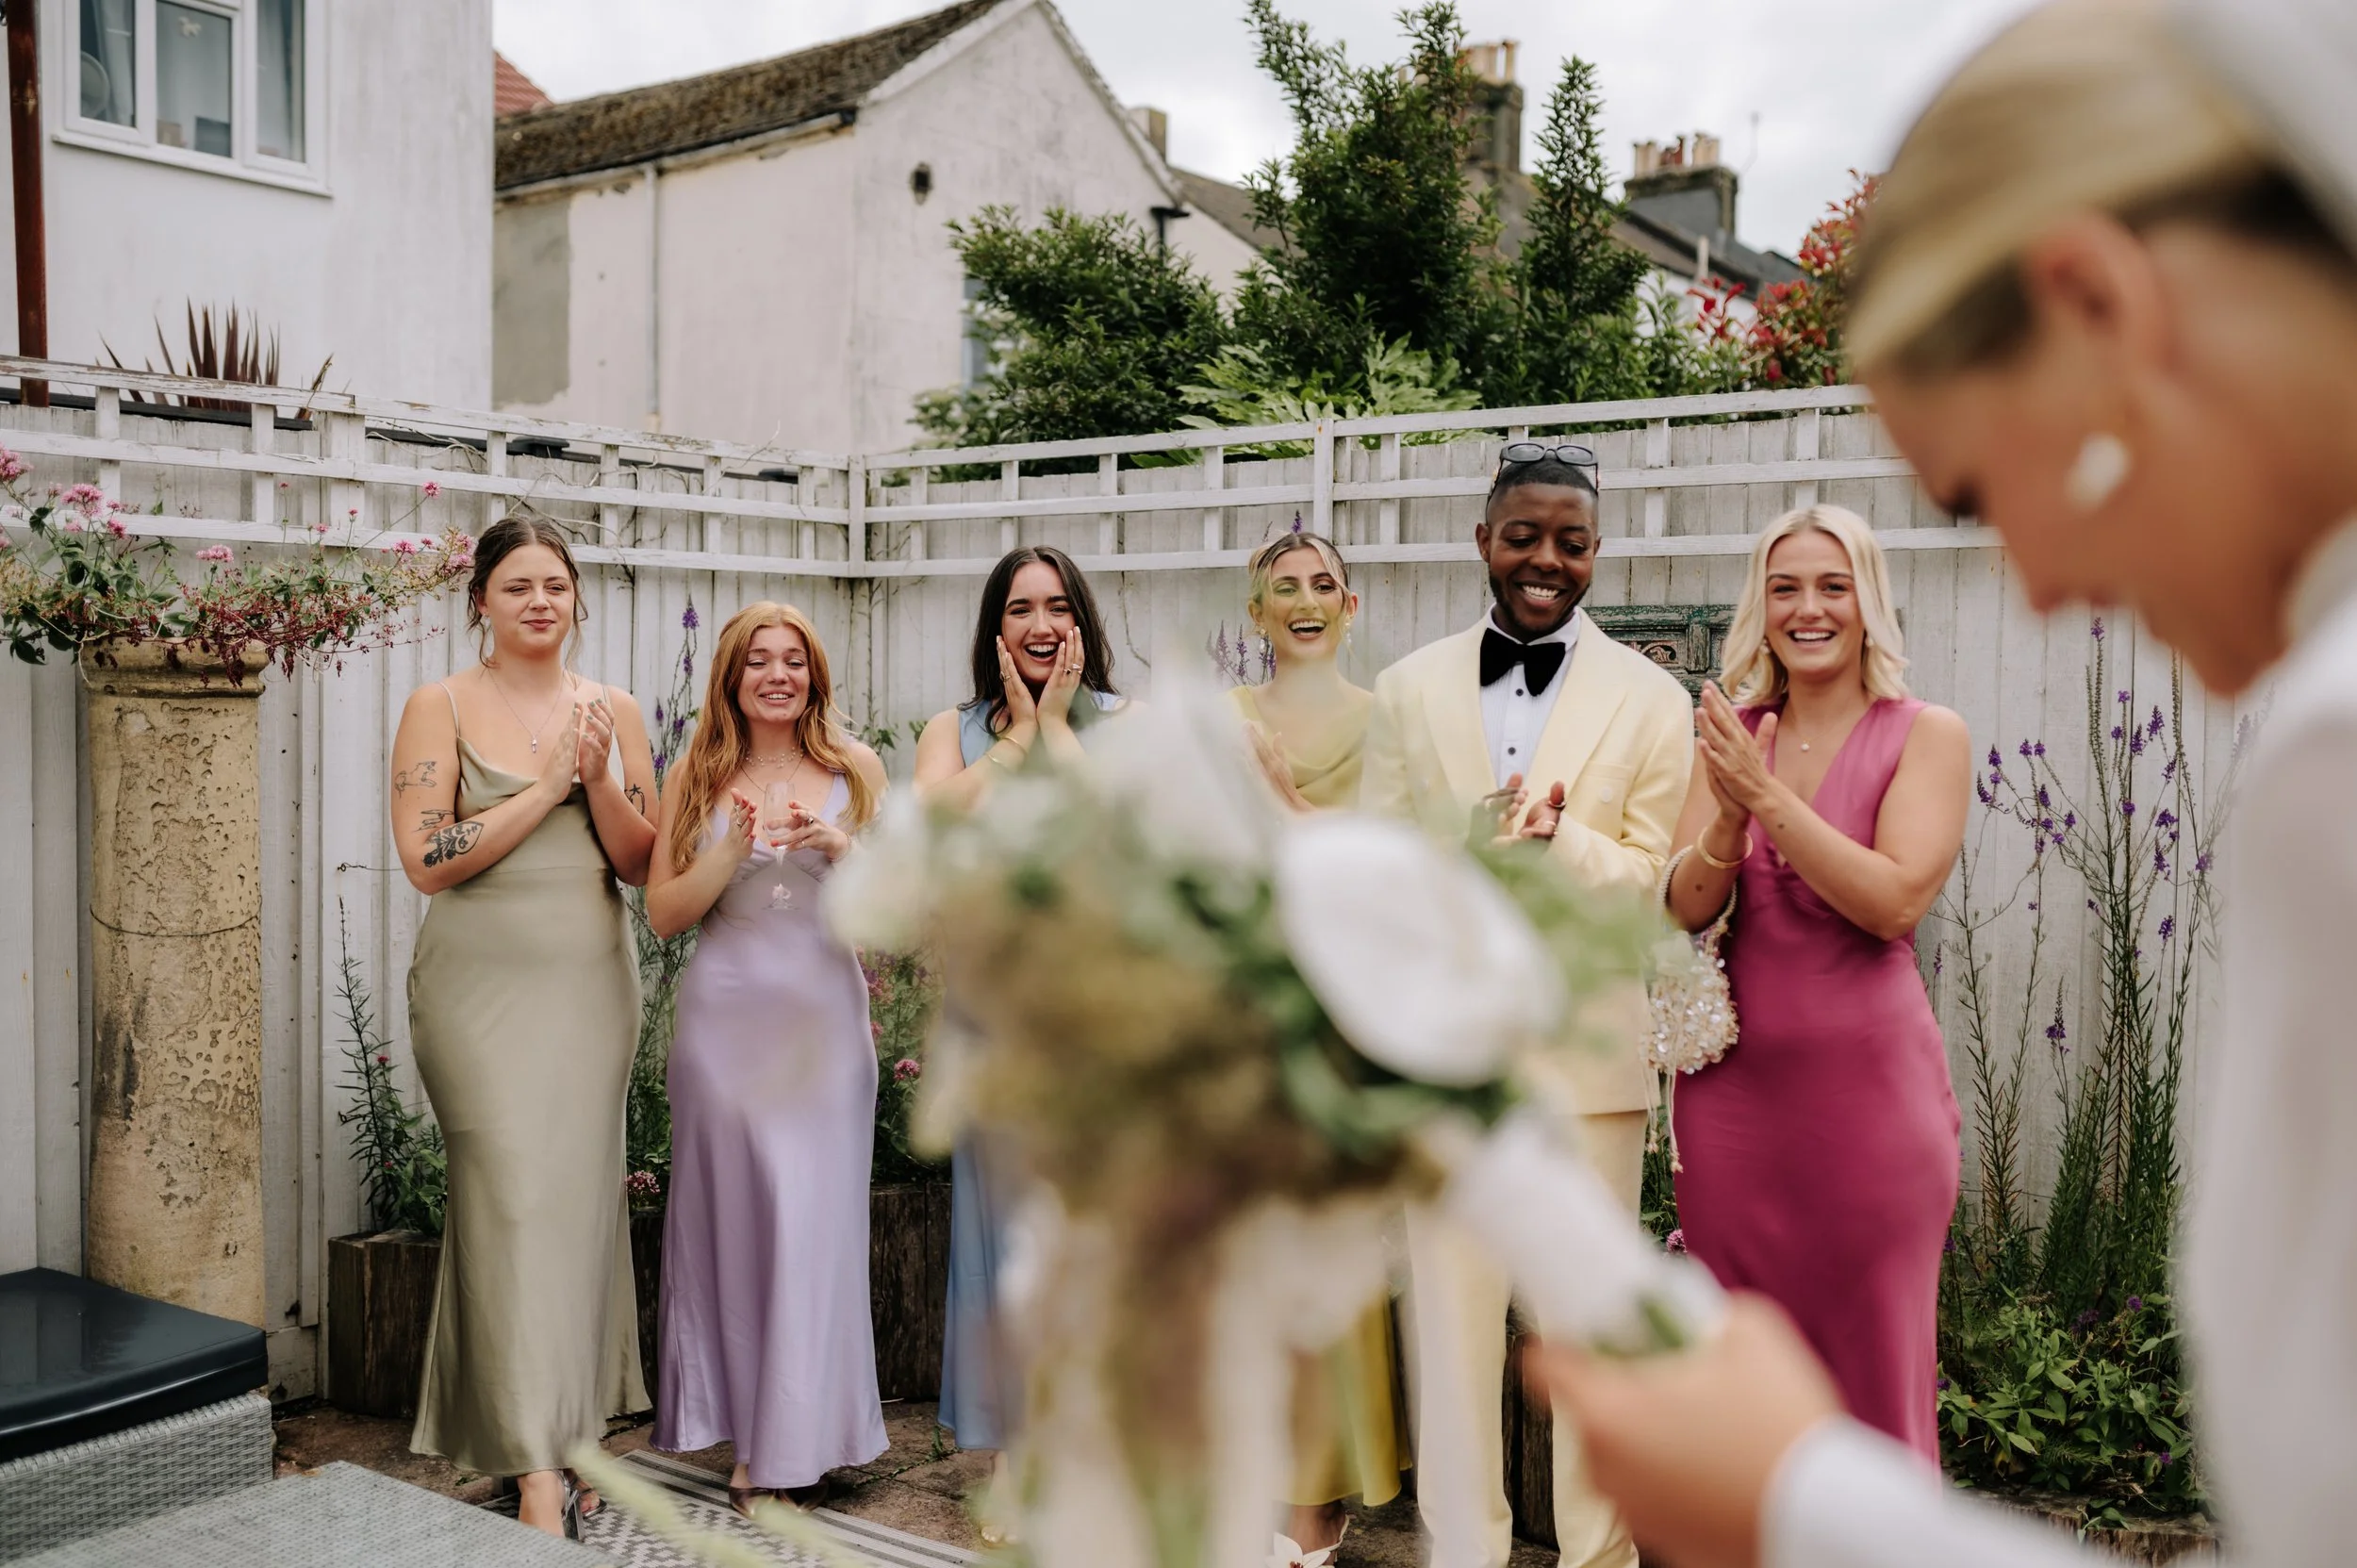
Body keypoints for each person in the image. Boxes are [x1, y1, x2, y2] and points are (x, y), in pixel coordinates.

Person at [1536, 3, 2357, 1566]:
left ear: (2099, 306)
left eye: (1982, 491)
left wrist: (1799, 1501)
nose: (2038, 585)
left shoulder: (2337, 758)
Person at [1360, 449, 1695, 1568]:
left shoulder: (1653, 700)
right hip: (1446, 1069)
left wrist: (1566, 840)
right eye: (1523, 536)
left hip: (1585, 1073)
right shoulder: (1406, 688)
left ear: (1595, 553)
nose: (1546, 560)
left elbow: (1661, 882)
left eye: (1571, 542)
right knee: (1449, 1350)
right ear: (1483, 541)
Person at [1661, 505, 1969, 1461]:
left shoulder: (1927, 735)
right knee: (1740, 1392)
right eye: (1785, 588)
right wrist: (1724, 822)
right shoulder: (1732, 733)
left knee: (1872, 1373)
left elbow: (1892, 901)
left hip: (1869, 1113)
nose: (1809, 609)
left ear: (1867, 603)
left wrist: (1762, 798)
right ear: (1761, 607)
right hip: (1731, 1110)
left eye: (1833, 586)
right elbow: (1682, 905)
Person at [389, 516, 657, 1538]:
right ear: (481, 603)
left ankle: (565, 1439)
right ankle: (538, 1471)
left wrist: (598, 780)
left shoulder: (614, 709)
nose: (540, 601)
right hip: (477, 996)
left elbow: (643, 862)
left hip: (590, 994)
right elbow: (425, 857)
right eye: (517, 586)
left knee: (573, 1215)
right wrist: (547, 788)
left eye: (555, 584)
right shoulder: (441, 704)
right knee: (507, 1202)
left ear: (576, 597)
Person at [643, 602, 890, 1515]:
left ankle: (799, 1440)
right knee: (742, 1230)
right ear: (730, 677)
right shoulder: (694, 772)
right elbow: (664, 913)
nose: (776, 675)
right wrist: (730, 853)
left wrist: (842, 848)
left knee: (812, 1229)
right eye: (758, 660)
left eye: (793, 660)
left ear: (814, 674)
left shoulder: (856, 768)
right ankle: (755, 1443)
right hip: (726, 1028)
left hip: (825, 1029)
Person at [912, 546, 1126, 1512]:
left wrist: (1059, 730)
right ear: (994, 628)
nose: (1041, 625)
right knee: (999, 1239)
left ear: (1082, 620)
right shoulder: (950, 731)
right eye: (1020, 609)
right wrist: (1015, 738)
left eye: (1057, 606)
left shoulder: (1126, 725)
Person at [1227, 531, 1409, 1565]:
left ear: (1351, 604)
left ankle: (1314, 1500)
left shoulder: (1388, 724)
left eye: (1323, 585)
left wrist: (1287, 808)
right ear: (1254, 611)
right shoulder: (1221, 721)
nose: (1304, 601)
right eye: (1282, 588)